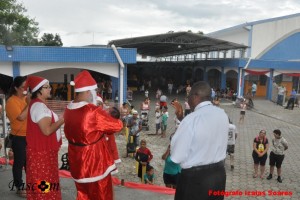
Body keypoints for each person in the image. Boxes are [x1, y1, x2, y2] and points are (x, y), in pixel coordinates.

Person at [64, 70, 123, 200]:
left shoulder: (68, 109)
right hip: (95, 163)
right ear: (87, 91)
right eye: (93, 92)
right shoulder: (92, 111)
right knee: (102, 194)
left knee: (83, 194)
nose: (94, 95)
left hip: (77, 162)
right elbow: (117, 126)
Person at [170, 81, 229, 200]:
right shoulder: (222, 114)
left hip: (195, 180)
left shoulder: (191, 120)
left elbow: (177, 156)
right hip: (219, 176)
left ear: (195, 96)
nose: (188, 100)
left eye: (189, 96)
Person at [25, 76, 64, 199]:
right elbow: (47, 131)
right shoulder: (39, 107)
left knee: (44, 184)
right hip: (42, 155)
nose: (50, 89)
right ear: (39, 90)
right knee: (44, 185)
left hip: (42, 153)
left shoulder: (38, 105)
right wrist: (63, 119)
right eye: (47, 87)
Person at [5, 76, 29, 198]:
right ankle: (19, 187)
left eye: (27, 86)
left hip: (30, 136)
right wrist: (29, 104)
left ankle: (31, 184)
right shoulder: (11, 101)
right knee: (19, 163)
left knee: (29, 163)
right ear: (16, 87)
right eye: (23, 87)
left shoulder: (26, 99)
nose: (25, 89)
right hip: (18, 137)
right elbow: (21, 117)